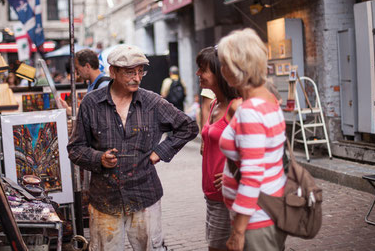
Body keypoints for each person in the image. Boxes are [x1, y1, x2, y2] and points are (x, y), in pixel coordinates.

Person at [67, 44, 199, 251]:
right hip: (105, 198)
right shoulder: (91, 104)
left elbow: (188, 126)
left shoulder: (152, 102)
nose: (137, 78)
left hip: (144, 194)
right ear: (113, 71)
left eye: (140, 72)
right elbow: (75, 148)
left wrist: (161, 152)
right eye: (130, 72)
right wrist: (98, 158)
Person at [217, 28, 287, 251]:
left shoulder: (250, 111)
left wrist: (238, 231)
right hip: (267, 208)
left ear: (238, 66)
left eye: (224, 63)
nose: (221, 69)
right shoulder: (269, 99)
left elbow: (253, 175)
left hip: (256, 220)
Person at [196, 47, 241, 251]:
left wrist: (237, 174)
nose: (198, 74)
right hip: (213, 195)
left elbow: (259, 149)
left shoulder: (236, 106)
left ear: (219, 72)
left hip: (228, 196)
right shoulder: (215, 103)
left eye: (203, 69)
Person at [58, 49, 110, 115]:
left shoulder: (103, 86)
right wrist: (68, 109)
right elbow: (90, 111)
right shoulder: (92, 84)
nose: (77, 73)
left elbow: (102, 116)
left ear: (87, 66)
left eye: (77, 68)